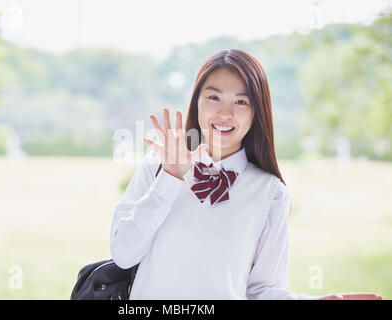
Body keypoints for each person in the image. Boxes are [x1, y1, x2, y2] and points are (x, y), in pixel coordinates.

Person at [109, 49, 383, 300]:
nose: (225, 113)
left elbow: (262, 291)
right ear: (196, 102)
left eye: (241, 102)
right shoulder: (158, 165)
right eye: (214, 97)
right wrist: (170, 177)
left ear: (256, 112)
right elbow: (123, 254)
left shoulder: (271, 193)